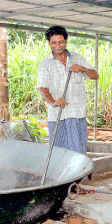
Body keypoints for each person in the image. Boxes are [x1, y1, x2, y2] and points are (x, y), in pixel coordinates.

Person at [36, 26, 99, 154]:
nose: (57, 45)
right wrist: (53, 102)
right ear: (49, 43)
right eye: (54, 43)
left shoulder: (77, 58)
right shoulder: (46, 63)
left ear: (66, 41)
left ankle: (79, 175)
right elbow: (43, 89)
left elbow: (95, 76)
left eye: (61, 42)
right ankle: (62, 175)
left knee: (79, 152)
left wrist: (83, 69)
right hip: (58, 116)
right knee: (59, 152)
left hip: (77, 114)